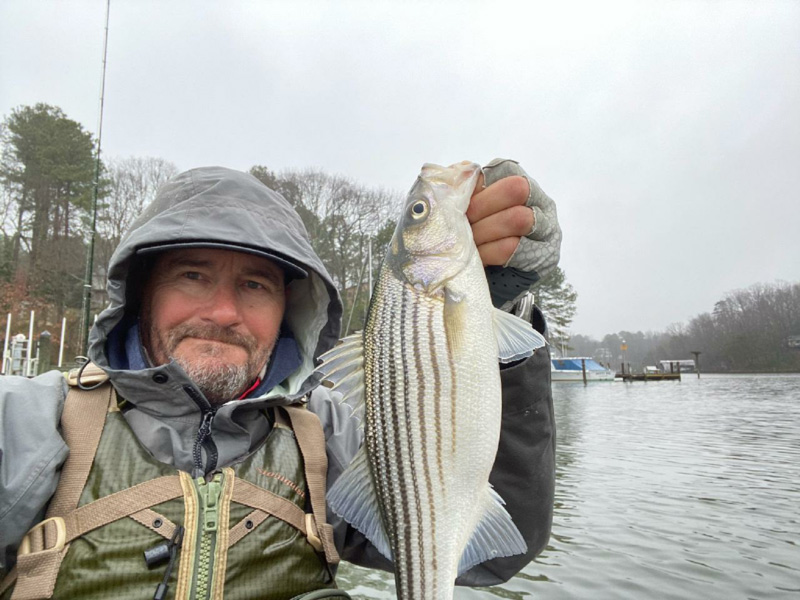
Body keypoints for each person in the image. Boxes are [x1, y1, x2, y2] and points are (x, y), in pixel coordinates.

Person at [0, 159, 561, 599]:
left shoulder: (329, 431)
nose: (223, 312)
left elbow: (492, 559)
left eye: (255, 285)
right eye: (192, 275)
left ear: (290, 309)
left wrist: (497, 320)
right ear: (142, 291)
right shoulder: (24, 420)